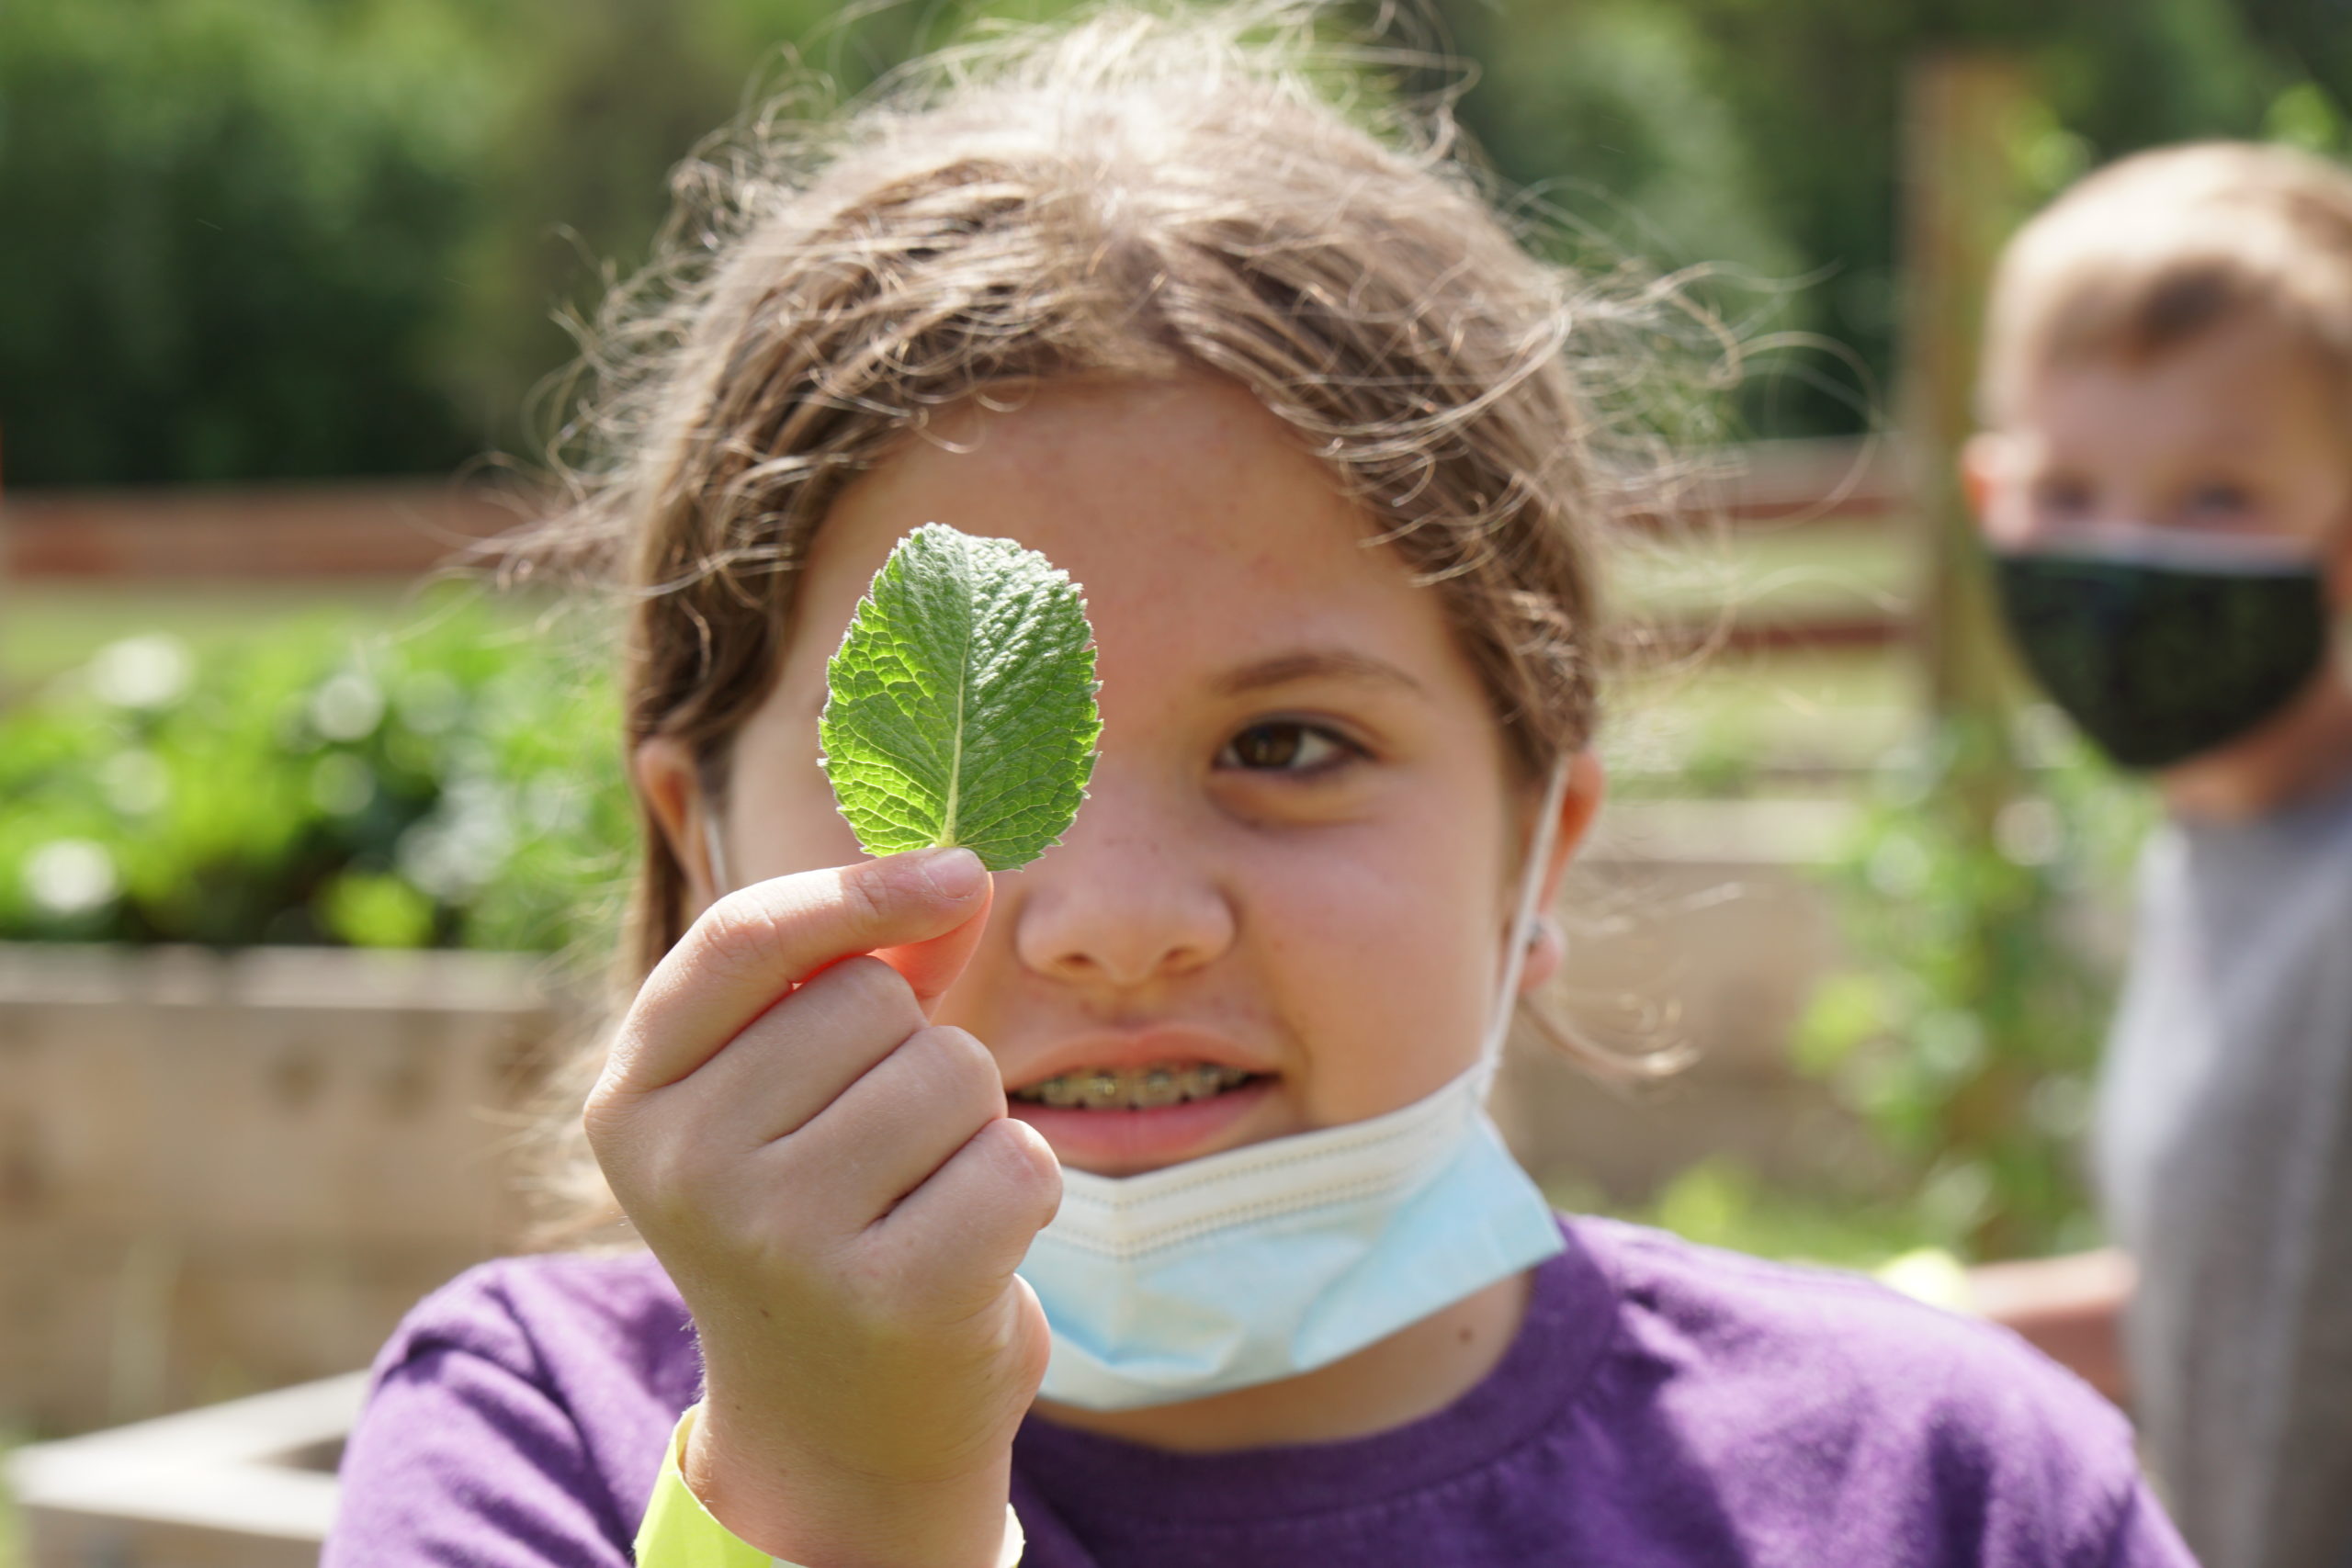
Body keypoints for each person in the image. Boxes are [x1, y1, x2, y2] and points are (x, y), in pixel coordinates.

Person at [323, 8, 2192, 1564]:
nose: (1121, 918)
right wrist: (838, 1492)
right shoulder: (533, 1439)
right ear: (698, 841)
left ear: (1538, 844)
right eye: (946, 772)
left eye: (1287, 746)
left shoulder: (1950, 1488)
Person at [1965, 141, 2352, 1568]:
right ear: (1986, 499)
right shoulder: (2201, 854)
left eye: (2215, 500)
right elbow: (2245, 1296)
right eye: (2068, 493)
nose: (2124, 561)